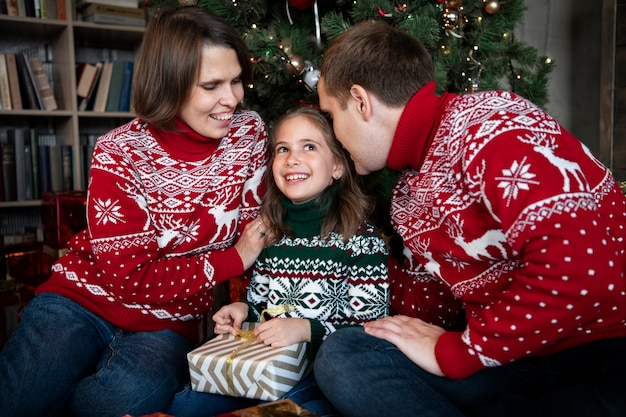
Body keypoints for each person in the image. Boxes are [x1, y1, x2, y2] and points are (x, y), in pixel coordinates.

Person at [313, 20, 626, 417]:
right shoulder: (408, 195)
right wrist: (332, 269)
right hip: (510, 363)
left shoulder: (493, 127)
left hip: (597, 348)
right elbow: (425, 314)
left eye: (331, 116)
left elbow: (582, 273)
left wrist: (461, 352)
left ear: (360, 102)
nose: (335, 137)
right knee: (345, 354)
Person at [0, 6, 269, 417]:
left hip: (168, 320)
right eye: (211, 85)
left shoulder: (249, 135)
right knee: (20, 399)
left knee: (119, 401)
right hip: (81, 298)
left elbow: (259, 232)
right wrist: (233, 259)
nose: (231, 99)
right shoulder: (119, 151)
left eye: (235, 81)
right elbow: (128, 279)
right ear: (170, 84)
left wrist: (250, 299)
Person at [168, 105, 390, 417]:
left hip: (320, 374)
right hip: (265, 365)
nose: (292, 159)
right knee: (185, 405)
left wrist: (306, 330)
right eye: (283, 149)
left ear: (337, 165)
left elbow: (369, 331)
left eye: (309, 147)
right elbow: (265, 307)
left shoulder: (360, 241)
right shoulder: (271, 234)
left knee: (286, 410)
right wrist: (243, 310)